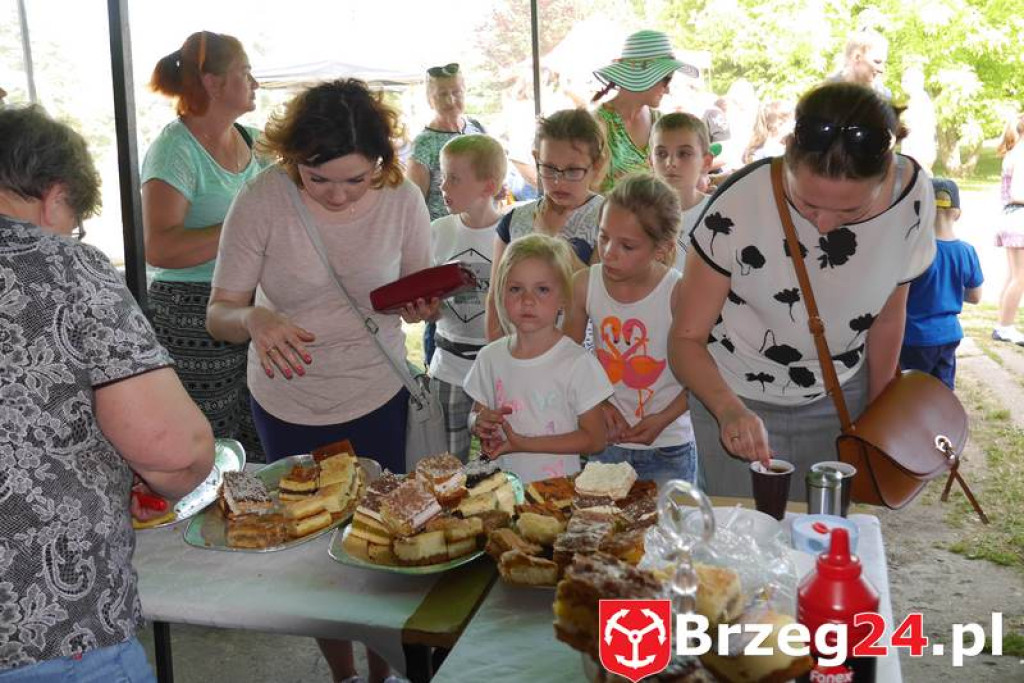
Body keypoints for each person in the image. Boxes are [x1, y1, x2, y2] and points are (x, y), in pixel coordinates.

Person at [205, 79, 436, 683]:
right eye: (318, 178)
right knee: (310, 548)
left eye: (355, 180)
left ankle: (383, 672)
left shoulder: (403, 198)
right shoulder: (263, 197)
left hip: (376, 391)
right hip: (289, 400)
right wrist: (254, 318)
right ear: (292, 160)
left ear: (381, 162)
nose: (337, 194)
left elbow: (418, 294)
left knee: (384, 538)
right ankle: (343, 674)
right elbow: (219, 312)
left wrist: (421, 305)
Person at [0, 105, 214, 680]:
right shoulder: (63, 267)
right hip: (52, 634)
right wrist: (153, 476)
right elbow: (176, 453)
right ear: (54, 196)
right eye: (72, 221)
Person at [669, 81, 936, 497]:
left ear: (886, 171)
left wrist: (877, 410)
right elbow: (686, 339)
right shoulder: (739, 202)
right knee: (741, 531)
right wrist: (728, 410)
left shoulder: (912, 198)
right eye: (806, 204)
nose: (824, 225)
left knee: (823, 529)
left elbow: (887, 317)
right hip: (734, 391)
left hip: (841, 395)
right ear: (788, 156)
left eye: (851, 210)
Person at [142, 31, 267, 459]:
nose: (255, 83)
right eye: (245, 73)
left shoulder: (253, 141)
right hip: (190, 314)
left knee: (259, 431)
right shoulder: (175, 150)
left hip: (251, 303)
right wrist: (240, 226)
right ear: (213, 83)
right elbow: (160, 248)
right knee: (210, 442)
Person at [564, 174, 697, 486]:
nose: (609, 252)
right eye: (603, 237)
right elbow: (566, 358)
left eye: (627, 245)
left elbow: (706, 372)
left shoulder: (678, 293)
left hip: (669, 446)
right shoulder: (584, 285)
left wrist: (663, 419)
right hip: (606, 442)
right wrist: (598, 403)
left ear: (662, 248)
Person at [466, 234, 612, 483]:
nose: (527, 300)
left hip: (557, 494)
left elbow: (596, 440)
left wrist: (524, 444)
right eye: (516, 289)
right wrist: (478, 423)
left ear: (563, 297)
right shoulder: (490, 357)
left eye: (542, 289)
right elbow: (474, 416)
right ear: (501, 294)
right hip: (501, 490)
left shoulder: (577, 363)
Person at [485, 108, 606, 340]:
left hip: (581, 353)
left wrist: (550, 236)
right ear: (536, 159)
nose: (559, 181)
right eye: (549, 168)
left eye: (573, 170)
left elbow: (596, 296)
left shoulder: (607, 220)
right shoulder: (514, 222)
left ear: (597, 165)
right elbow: (495, 299)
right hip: (520, 351)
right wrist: (496, 353)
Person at [429, 134, 507, 461]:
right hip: (448, 368)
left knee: (498, 460)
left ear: (488, 186)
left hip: (498, 372)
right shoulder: (438, 231)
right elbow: (429, 307)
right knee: (447, 463)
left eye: (454, 178)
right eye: (442, 176)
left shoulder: (510, 233)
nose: (442, 186)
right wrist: (427, 308)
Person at [407, 63, 486, 367]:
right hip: (444, 246)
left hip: (480, 239)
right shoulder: (424, 143)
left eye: (456, 91)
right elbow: (414, 203)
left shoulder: (476, 128)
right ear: (430, 98)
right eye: (442, 94)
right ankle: (438, 370)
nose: (451, 100)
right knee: (442, 315)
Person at [591, 29, 699, 192]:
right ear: (642, 75)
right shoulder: (597, 125)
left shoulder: (661, 123)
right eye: (666, 80)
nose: (667, 89)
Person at [900, 178, 982, 389]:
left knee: (911, 391)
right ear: (958, 213)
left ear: (921, 210)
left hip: (915, 336)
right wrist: (948, 290)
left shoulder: (914, 250)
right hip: (948, 335)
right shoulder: (967, 251)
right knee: (942, 391)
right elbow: (975, 296)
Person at [649, 112, 714, 270]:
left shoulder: (716, 214)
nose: (671, 163)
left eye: (684, 154)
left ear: (706, 162)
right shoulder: (635, 213)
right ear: (650, 161)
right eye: (661, 154)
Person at [992, 115, 1024, 345]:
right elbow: (1018, 193)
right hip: (1018, 218)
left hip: (1010, 218)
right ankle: (1005, 327)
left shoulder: (1015, 152)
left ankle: (1002, 324)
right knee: (1020, 278)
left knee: (1013, 275)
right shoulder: (1022, 154)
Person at [899, 65, 937, 174]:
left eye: (905, 81)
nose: (902, 84)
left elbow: (919, 132)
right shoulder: (917, 100)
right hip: (916, 153)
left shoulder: (920, 102)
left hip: (919, 153)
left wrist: (915, 157)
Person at [833, 27, 891, 99]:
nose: (882, 70)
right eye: (877, 62)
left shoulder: (883, 96)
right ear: (857, 57)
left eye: (884, 63)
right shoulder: (827, 94)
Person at [743, 99, 794, 164]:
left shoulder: (764, 146)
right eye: (792, 121)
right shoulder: (776, 151)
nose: (793, 125)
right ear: (780, 123)